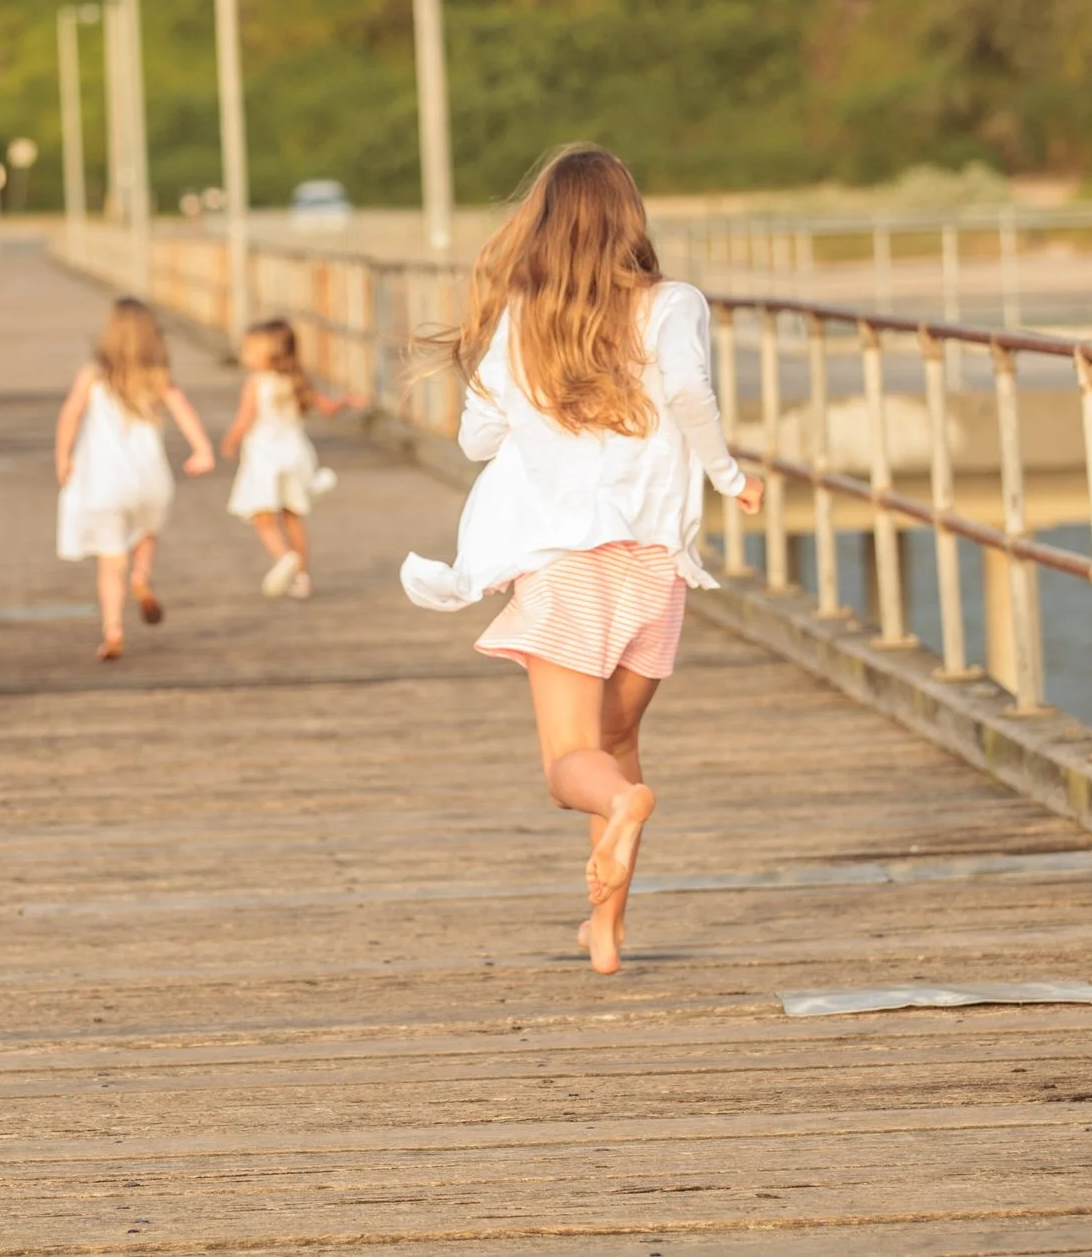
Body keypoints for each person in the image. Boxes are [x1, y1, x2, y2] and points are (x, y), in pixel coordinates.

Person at [402, 145, 763, 975]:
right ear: (629, 218)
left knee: (575, 766)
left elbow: (475, 436)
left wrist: (533, 403)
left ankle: (626, 812)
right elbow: (689, 394)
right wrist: (731, 477)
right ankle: (605, 930)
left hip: (565, 565)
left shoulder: (525, 318)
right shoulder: (675, 303)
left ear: (546, 224)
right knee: (619, 738)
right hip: (652, 565)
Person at [55, 298, 216, 660]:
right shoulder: (158, 377)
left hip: (104, 485)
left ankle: (113, 630)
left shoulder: (93, 375)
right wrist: (202, 449)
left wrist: (63, 458)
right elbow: (183, 409)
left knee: (111, 562)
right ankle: (141, 575)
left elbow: (70, 416)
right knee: (146, 531)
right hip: (150, 479)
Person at [220, 319, 351, 599]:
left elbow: (244, 420)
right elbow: (327, 407)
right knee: (293, 517)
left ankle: (283, 557)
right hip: (295, 454)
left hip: (264, 457)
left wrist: (230, 441)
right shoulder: (296, 380)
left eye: (251, 350)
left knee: (264, 517)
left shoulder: (256, 383)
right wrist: (347, 400)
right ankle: (302, 579)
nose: (246, 355)